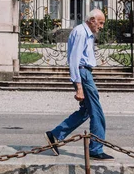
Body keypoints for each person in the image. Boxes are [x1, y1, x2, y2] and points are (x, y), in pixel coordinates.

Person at [44, 9, 114, 161]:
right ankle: (96, 148)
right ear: (92, 20)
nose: (101, 26)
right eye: (100, 23)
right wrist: (79, 87)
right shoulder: (81, 33)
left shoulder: (86, 33)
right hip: (83, 74)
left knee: (86, 111)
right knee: (97, 112)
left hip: (84, 73)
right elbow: (74, 61)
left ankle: (55, 134)